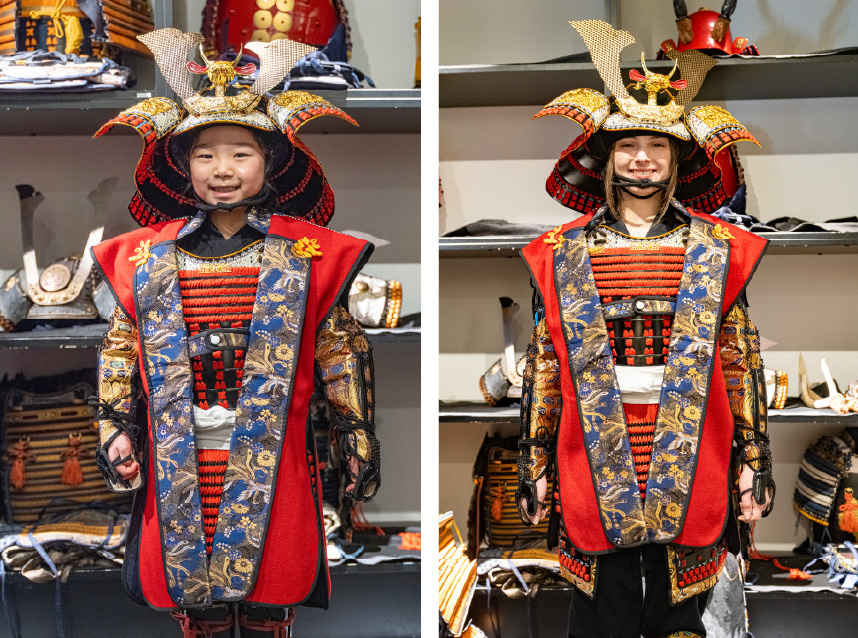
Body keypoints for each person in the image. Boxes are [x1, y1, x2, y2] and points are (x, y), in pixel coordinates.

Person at [89, 29, 379, 638]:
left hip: (275, 453)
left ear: (270, 162)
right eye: (204, 155)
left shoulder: (306, 254)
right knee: (198, 601)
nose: (222, 170)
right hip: (179, 454)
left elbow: (338, 349)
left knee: (271, 592)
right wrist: (115, 425)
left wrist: (355, 428)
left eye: (241, 153)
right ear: (182, 165)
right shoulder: (144, 256)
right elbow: (121, 347)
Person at [516, 20, 773, 638]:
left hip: (694, 439)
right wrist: (534, 456)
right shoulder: (560, 251)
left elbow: (738, 358)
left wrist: (754, 456)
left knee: (680, 611)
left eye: (657, 144)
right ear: (606, 155)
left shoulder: (718, 247)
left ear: (678, 156)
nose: (642, 157)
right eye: (628, 143)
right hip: (591, 441)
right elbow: (546, 361)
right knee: (599, 609)